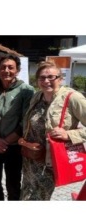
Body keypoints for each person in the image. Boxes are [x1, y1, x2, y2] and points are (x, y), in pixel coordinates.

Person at [20, 61, 86, 200]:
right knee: (26, 194)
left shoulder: (72, 98)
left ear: (60, 79)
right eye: (42, 78)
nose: (46, 81)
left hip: (50, 162)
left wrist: (68, 134)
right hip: (31, 158)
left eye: (51, 77)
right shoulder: (37, 96)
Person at [0, 55, 34, 200]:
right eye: (3, 67)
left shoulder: (26, 91)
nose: (6, 70)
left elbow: (26, 120)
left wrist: (5, 141)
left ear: (17, 70)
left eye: (10, 67)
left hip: (15, 146)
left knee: (13, 183)